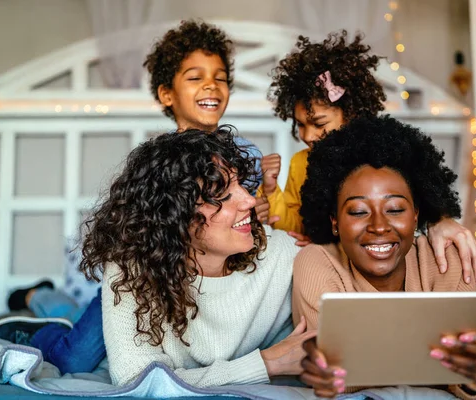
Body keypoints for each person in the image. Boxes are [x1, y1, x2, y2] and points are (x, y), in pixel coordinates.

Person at [0, 20, 269, 375]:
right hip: (145, 276)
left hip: (205, 283)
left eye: (219, 77)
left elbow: (247, 223)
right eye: (194, 76)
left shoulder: (244, 154)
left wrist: (264, 207)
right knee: (73, 357)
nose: (210, 85)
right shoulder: (156, 162)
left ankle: (55, 303)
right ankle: (37, 305)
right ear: (167, 94)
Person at [292, 116, 476, 399]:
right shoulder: (315, 262)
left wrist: (475, 378)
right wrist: (439, 365)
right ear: (334, 221)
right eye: (358, 211)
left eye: (395, 209)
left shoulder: (446, 259)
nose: (379, 226)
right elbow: (335, 373)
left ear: (417, 214)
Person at [85, 127, 311, 386]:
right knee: (72, 356)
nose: (249, 201)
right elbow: (136, 379)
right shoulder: (132, 268)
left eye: (241, 185)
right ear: (175, 215)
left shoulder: (281, 252)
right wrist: (268, 363)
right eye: (223, 195)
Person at [261, 31, 476, 283]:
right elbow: (294, 223)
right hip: (330, 267)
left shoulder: (381, 157)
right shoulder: (300, 162)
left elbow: (419, 197)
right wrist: (271, 191)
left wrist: (440, 219)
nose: (308, 135)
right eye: (300, 125)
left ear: (352, 113)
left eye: (319, 123)